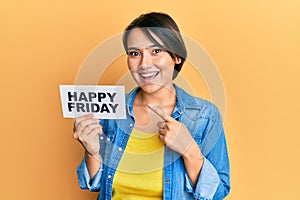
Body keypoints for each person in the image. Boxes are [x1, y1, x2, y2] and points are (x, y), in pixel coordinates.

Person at [73, 12, 230, 200]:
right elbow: (96, 184)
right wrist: (92, 152)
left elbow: (219, 192)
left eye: (156, 51)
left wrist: (189, 150)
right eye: (134, 53)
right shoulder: (112, 111)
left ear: (176, 56)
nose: (144, 64)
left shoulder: (205, 116)